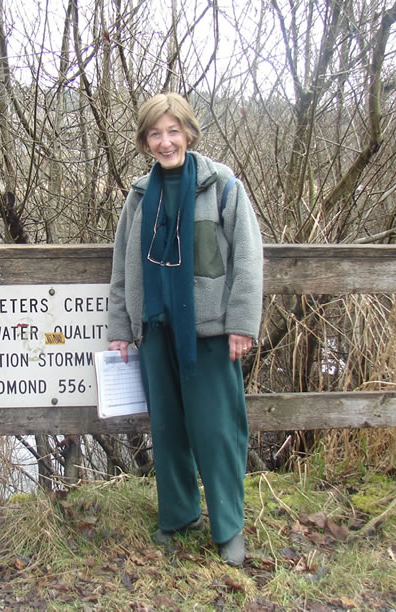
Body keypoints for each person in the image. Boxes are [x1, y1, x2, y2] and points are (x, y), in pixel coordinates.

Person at [107, 93, 263, 567]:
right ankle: (178, 517)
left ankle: (228, 528)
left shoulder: (222, 186)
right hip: (155, 331)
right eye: (155, 133)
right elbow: (121, 268)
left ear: (189, 134)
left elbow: (248, 259)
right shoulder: (137, 196)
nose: (165, 141)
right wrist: (121, 325)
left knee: (217, 432)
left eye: (173, 131)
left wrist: (240, 323)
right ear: (144, 141)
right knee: (169, 429)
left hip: (211, 334)